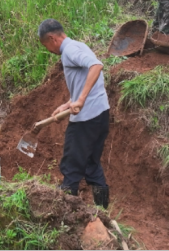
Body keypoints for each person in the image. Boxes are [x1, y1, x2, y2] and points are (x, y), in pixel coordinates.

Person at [38, 19, 110, 208]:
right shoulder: (79, 45)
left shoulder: (69, 51)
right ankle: (102, 213)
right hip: (101, 113)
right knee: (92, 165)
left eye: (46, 46)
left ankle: (67, 216)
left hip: (86, 119)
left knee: (72, 165)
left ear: (52, 39)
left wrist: (81, 100)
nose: (49, 51)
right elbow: (85, 77)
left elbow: (96, 66)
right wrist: (68, 103)